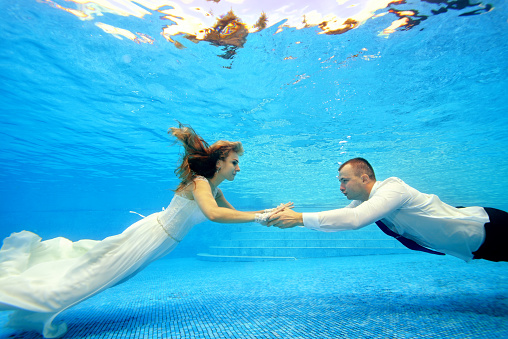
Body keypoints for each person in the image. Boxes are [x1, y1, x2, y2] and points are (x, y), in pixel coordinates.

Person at [0, 123, 291, 338]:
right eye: (235, 162)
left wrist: (267, 213)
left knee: (97, 267)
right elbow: (215, 215)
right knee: (94, 275)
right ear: (219, 163)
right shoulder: (201, 183)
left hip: (158, 238)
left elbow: (233, 212)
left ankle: (29, 306)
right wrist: (261, 216)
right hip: (152, 237)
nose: (238, 168)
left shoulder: (212, 187)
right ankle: (22, 296)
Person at [268, 157, 507, 263]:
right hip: (473, 246)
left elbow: (354, 219)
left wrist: (298, 218)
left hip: (488, 228)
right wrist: (290, 218)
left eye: (344, 180)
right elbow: (341, 218)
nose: (340, 187)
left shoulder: (393, 188)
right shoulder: (364, 203)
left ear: (364, 178)